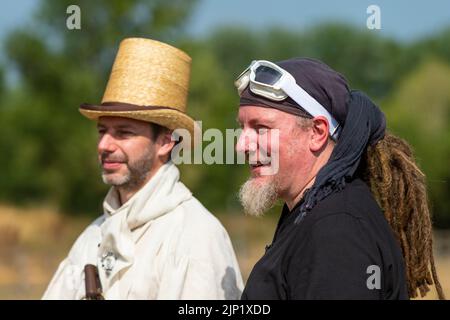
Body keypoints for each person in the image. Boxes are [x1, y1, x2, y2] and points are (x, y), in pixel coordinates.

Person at [43, 38, 243, 300]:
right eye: (102, 131)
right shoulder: (91, 237)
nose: (104, 145)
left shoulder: (195, 237)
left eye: (123, 133)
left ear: (165, 142)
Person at [234, 58, 445, 300]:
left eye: (261, 128)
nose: (242, 145)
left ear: (317, 133)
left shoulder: (337, 231)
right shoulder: (314, 216)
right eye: (242, 128)